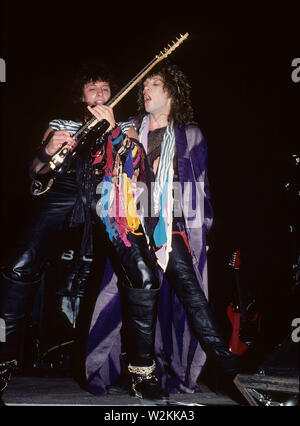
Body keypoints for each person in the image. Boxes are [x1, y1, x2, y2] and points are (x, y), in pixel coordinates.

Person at [86, 61, 241, 400]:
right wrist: (117, 136)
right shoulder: (131, 127)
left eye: (153, 84)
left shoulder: (189, 134)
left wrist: (203, 233)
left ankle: (226, 364)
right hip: (131, 221)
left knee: (191, 292)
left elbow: (200, 190)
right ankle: (141, 374)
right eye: (144, 85)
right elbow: (116, 166)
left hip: (169, 224)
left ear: (170, 92)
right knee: (139, 292)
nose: (145, 89)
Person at [0, 61, 152, 404]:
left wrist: (113, 131)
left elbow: (137, 166)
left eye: (104, 89)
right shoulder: (62, 123)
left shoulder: (126, 123)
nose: (99, 94)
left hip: (109, 190)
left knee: (141, 269)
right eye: (92, 89)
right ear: (81, 96)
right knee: (19, 264)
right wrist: (47, 150)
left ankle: (143, 371)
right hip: (66, 189)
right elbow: (36, 172)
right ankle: (2, 361)